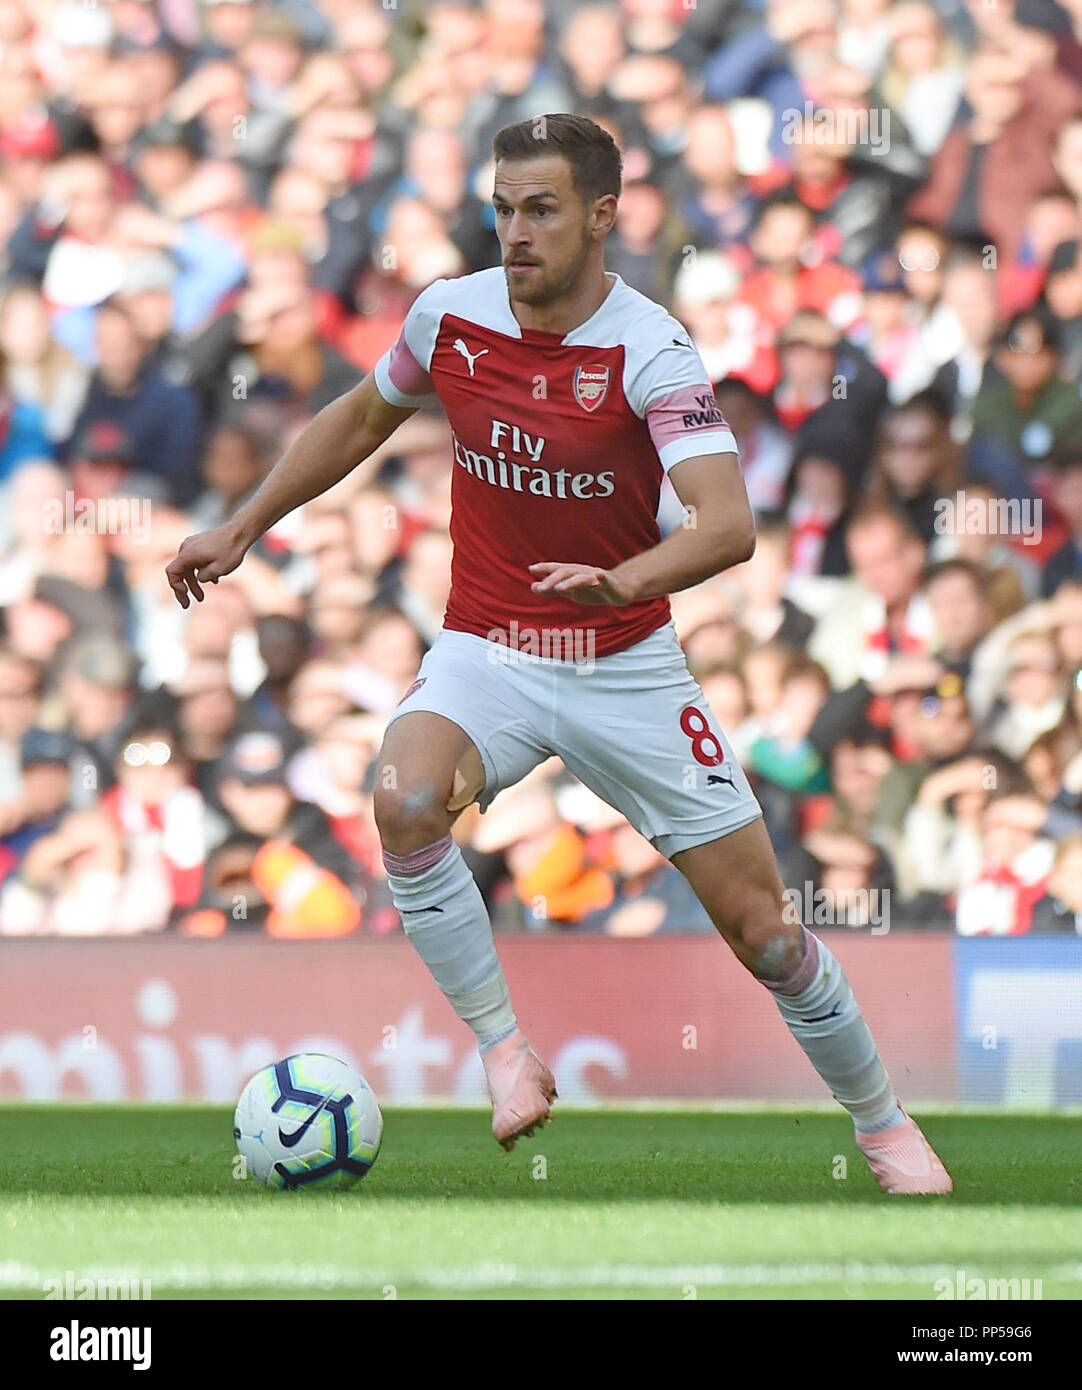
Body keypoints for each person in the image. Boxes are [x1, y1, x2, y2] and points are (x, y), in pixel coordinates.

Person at [166, 113, 951, 1195]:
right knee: (399, 799)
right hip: (488, 646)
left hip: (623, 662)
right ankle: (504, 1049)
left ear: (600, 216)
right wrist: (242, 524)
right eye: (501, 208)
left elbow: (726, 523)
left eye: (539, 209)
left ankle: (879, 1123)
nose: (514, 231)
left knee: (766, 933)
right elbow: (356, 419)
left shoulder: (651, 348)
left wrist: (626, 580)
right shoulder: (447, 316)